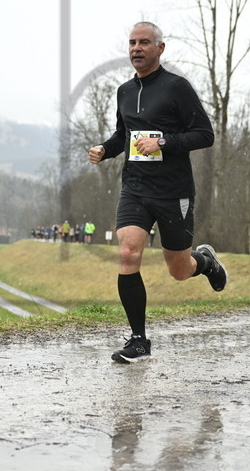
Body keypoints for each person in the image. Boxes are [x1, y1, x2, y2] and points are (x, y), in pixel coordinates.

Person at [88, 21, 228, 363]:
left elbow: (204, 135)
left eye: (144, 42)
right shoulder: (123, 91)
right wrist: (105, 150)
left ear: (160, 48)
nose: (137, 48)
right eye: (132, 42)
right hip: (135, 188)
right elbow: (124, 136)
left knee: (178, 270)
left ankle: (205, 262)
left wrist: (163, 141)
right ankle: (138, 340)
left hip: (173, 191)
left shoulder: (177, 88)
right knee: (128, 254)